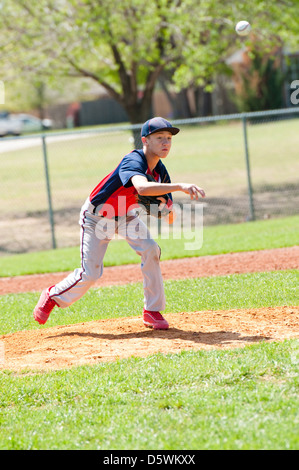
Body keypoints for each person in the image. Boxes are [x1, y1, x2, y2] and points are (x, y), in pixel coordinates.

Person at [33, 117, 205, 330]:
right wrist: (180, 186)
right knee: (91, 273)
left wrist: (167, 212)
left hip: (126, 216)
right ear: (145, 140)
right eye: (159, 137)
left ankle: (152, 311)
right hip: (97, 216)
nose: (166, 142)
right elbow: (141, 188)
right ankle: (52, 295)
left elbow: (166, 205)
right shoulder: (133, 161)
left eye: (169, 138)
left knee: (151, 249)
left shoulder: (160, 171)